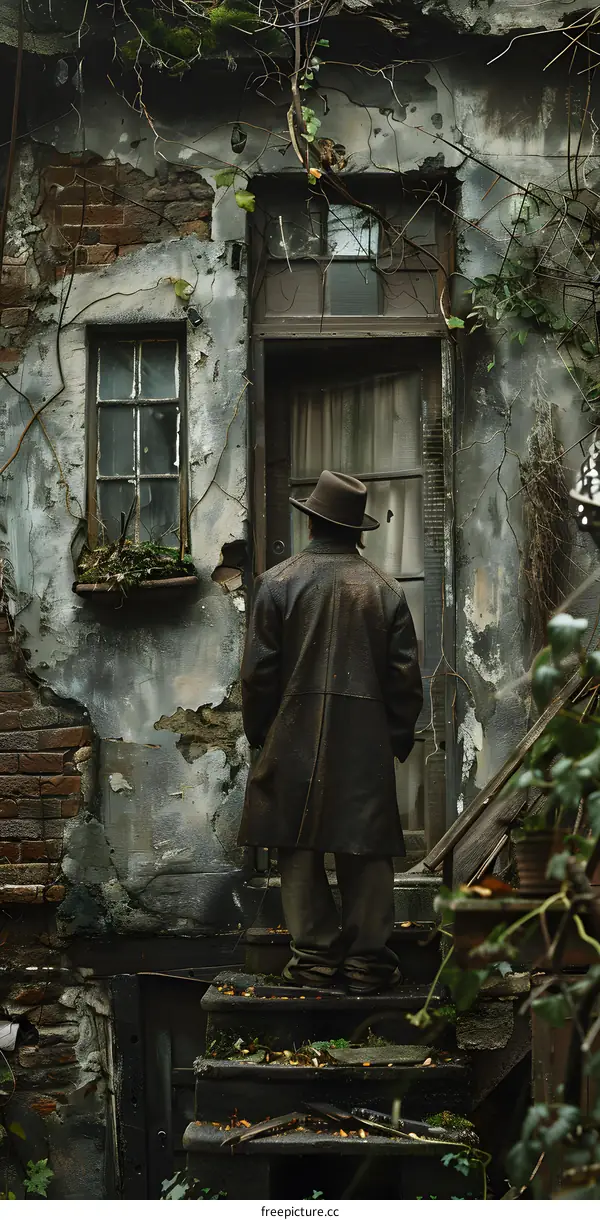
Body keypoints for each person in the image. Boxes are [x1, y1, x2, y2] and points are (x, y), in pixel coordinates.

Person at [238, 469, 423, 995]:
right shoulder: (384, 590)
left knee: (297, 847)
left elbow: (257, 676)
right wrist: (393, 739)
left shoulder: (276, 583)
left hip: (290, 731)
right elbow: (405, 680)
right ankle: (367, 966)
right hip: (364, 738)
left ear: (312, 521)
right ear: (356, 531)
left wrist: (263, 736)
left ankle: (316, 963)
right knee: (365, 848)